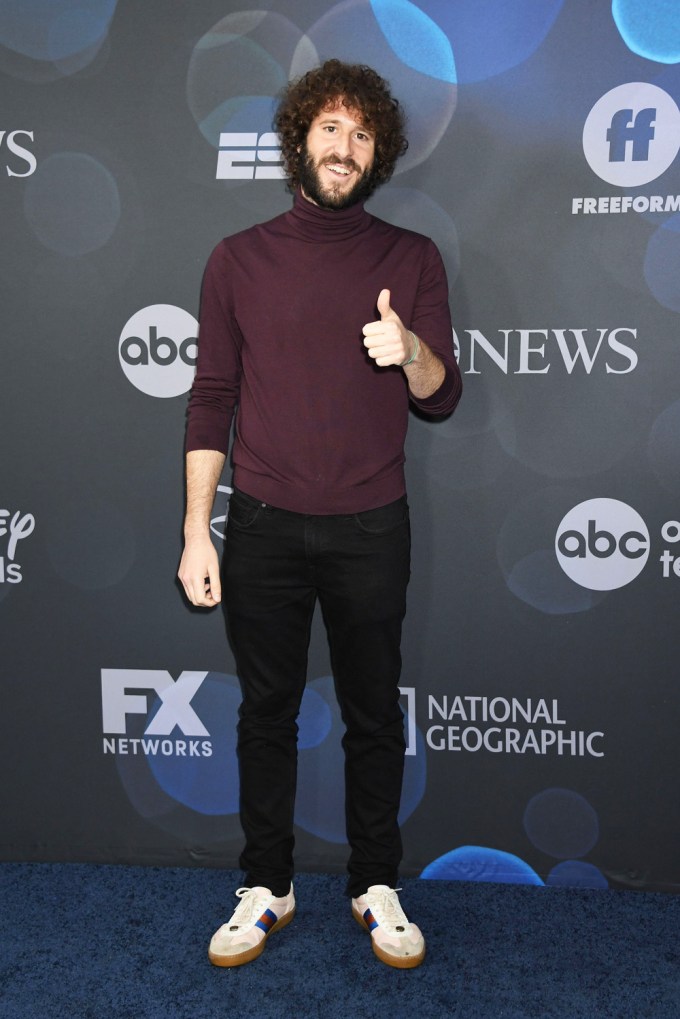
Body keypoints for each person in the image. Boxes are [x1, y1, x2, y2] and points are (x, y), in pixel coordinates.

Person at [178, 58, 462, 970]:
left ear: (378, 157)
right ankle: (267, 884)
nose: (346, 146)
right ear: (301, 138)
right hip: (259, 524)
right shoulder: (235, 258)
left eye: (363, 133)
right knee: (265, 712)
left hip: (372, 525)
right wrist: (196, 529)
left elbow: (441, 394)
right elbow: (210, 394)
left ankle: (377, 881)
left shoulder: (411, 259)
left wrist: (410, 346)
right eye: (331, 128)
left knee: (375, 713)